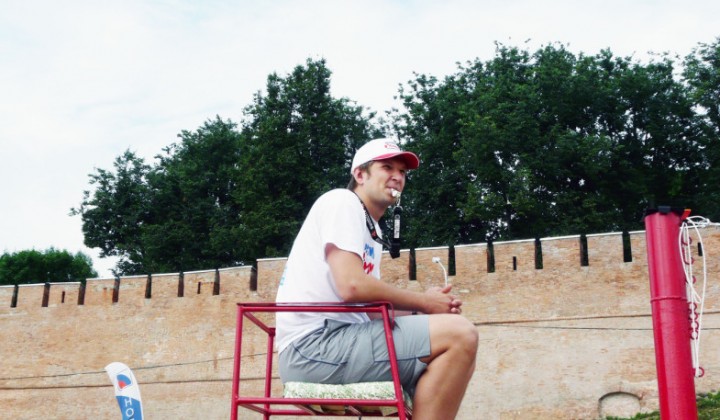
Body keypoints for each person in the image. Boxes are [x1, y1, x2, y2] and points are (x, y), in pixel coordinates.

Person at [275, 138, 478, 419]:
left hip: (337, 342)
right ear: (360, 174)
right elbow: (352, 286)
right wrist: (425, 302)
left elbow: (370, 310)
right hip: (315, 346)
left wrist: (424, 311)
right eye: (387, 167)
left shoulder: (372, 230)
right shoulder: (342, 201)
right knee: (460, 334)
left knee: (455, 340)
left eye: (402, 171)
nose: (397, 177)